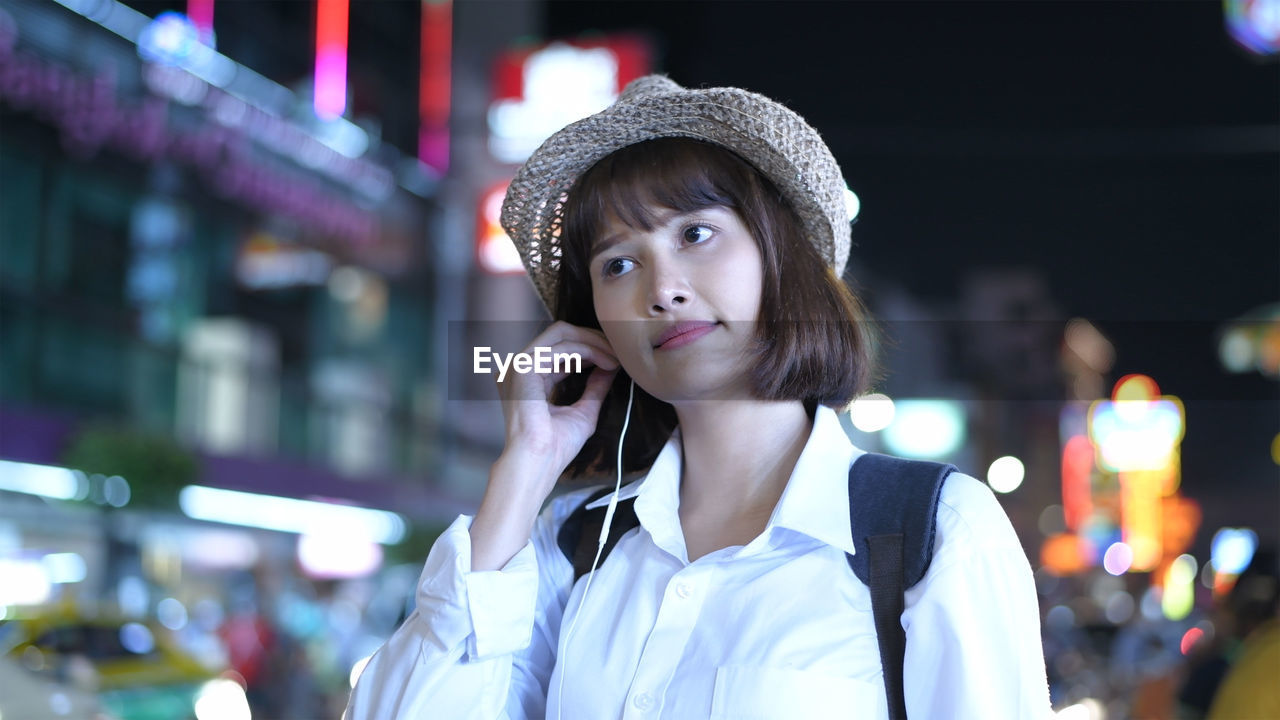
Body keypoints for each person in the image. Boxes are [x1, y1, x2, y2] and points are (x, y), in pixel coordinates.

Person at [346, 75, 1051, 719]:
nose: (661, 288)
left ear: (781, 258)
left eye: (696, 233)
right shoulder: (574, 545)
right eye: (618, 263)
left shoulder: (930, 532)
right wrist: (526, 464)